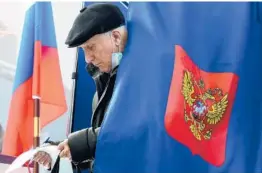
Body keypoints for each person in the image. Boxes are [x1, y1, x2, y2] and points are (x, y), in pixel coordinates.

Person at [33, 3, 128, 172]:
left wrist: (78, 144)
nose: (88, 58)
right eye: (84, 50)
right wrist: (61, 151)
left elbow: (137, 130)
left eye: (91, 47)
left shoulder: (143, 78)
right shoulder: (103, 83)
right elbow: (105, 149)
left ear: (116, 37)